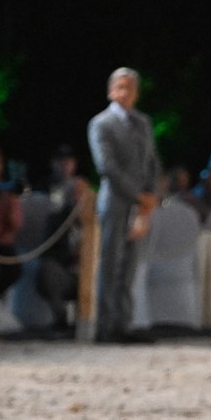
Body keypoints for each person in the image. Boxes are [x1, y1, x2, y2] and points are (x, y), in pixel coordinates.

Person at [86, 67, 162, 344]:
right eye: (120, 87)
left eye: (129, 88)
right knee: (111, 264)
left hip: (140, 206)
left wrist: (152, 194)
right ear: (110, 90)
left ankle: (124, 324)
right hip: (116, 202)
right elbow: (107, 167)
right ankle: (105, 327)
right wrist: (137, 195)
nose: (124, 93)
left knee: (130, 266)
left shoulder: (143, 123)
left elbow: (152, 161)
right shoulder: (101, 124)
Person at [36, 145, 95, 335]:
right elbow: (48, 250)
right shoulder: (57, 219)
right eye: (76, 194)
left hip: (92, 276)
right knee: (47, 270)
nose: (80, 199)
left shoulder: (98, 224)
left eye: (83, 194)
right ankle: (61, 319)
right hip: (67, 271)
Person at [0, 145, 24, 303]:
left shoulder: (7, 191)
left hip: (1, 244)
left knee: (13, 270)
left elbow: (16, 224)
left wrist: (11, 201)